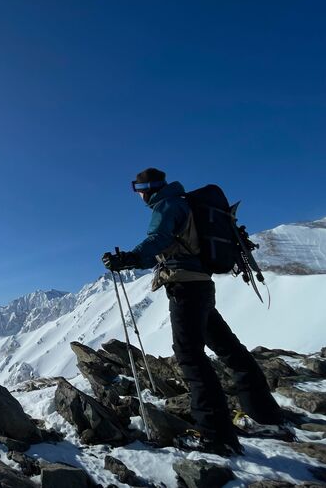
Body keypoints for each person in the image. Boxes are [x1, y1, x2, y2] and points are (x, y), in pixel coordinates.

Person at [101, 167, 286, 456]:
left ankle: (216, 437)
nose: (136, 194)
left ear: (145, 189)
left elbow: (158, 240)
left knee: (191, 358)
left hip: (185, 289)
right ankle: (267, 417)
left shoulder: (167, 206)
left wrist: (129, 258)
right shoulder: (184, 202)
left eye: (136, 189)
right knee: (229, 350)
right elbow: (174, 245)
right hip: (201, 287)